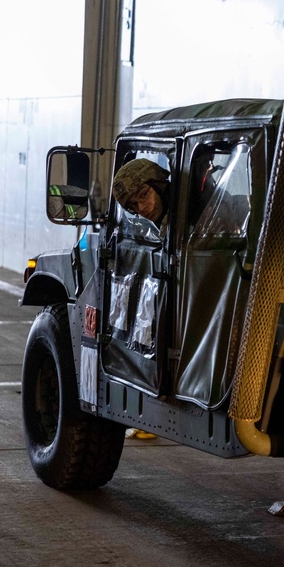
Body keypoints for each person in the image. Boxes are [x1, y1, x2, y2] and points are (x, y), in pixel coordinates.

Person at [111, 157, 170, 441]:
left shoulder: (198, 214)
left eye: (144, 196)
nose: (141, 209)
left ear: (160, 185)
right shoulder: (147, 228)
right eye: (132, 206)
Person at [111, 157, 170, 227]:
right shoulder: (148, 229)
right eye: (133, 204)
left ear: (160, 185)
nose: (141, 208)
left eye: (143, 195)